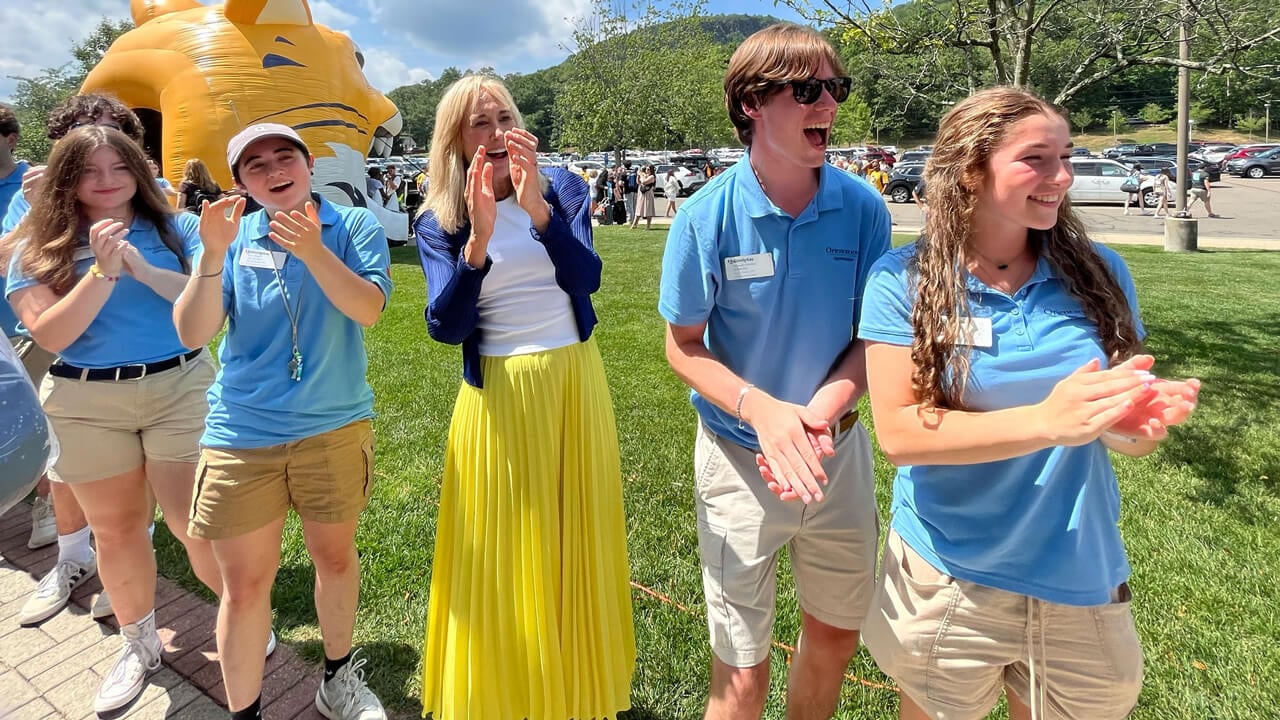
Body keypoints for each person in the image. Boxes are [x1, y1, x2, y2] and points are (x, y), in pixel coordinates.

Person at [854, 87, 1200, 720]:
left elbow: (1117, 432)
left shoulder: (1101, 273)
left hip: (1078, 568)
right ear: (970, 170)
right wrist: (1047, 421)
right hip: (948, 572)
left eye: (1065, 157)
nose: (1061, 176)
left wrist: (1133, 422)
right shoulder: (901, 280)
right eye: (1036, 159)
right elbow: (901, 435)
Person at [658, 23, 889, 720]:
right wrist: (762, 411)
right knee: (741, 670)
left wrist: (817, 417)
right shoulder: (704, 218)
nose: (830, 104)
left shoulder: (864, 209)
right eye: (808, 90)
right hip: (739, 459)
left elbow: (873, 339)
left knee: (836, 636)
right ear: (752, 103)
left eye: (836, 88)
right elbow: (682, 345)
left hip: (836, 453)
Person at [414, 74, 634, 720]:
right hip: (499, 399)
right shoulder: (440, 219)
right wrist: (478, 242)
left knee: (574, 542)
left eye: (504, 117)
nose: (496, 132)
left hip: (573, 384)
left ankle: (576, 692)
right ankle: (505, 694)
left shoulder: (563, 188)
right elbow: (446, 325)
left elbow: (587, 278)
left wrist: (538, 211)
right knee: (505, 554)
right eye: (479, 123)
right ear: (456, 141)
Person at [173, 123, 393, 720]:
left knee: (335, 558)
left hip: (333, 427)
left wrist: (314, 249)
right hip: (242, 435)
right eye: (256, 165)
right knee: (244, 588)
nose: (274, 171)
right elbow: (192, 333)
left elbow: (368, 309)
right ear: (240, 182)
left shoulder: (353, 225)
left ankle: (337, 679)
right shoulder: (229, 237)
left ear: (308, 163)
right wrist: (210, 256)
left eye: (284, 156)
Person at [6, 125, 223, 714]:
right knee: (117, 532)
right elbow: (51, 334)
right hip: (86, 401)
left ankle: (242, 616)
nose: (106, 181)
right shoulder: (39, 246)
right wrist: (100, 272)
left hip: (180, 386)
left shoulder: (174, 229)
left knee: (194, 523)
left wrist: (142, 270)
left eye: (119, 167)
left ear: (138, 170)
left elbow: (211, 306)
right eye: (88, 170)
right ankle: (138, 643)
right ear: (66, 178)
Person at [4, 93, 152, 627]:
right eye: (83, 138)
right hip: (60, 350)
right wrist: (37, 211)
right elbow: (8, 262)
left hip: (143, 356)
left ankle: (131, 565)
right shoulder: (36, 195)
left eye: (113, 134)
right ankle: (72, 558)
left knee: (138, 468)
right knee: (62, 463)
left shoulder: (146, 194)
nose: (99, 147)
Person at [0, 104, 57, 550]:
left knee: (41, 415)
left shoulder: (36, 184)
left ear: (11, 138)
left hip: (31, 326)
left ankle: (46, 505)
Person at [630, 164, 657, 230]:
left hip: (648, 194)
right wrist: (638, 175)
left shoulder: (652, 176)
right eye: (646, 169)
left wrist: (641, 175)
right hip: (641, 193)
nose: (646, 170)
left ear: (651, 170)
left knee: (648, 209)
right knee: (639, 208)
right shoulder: (645, 175)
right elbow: (638, 182)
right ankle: (634, 224)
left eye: (648, 169)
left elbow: (644, 182)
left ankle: (648, 226)